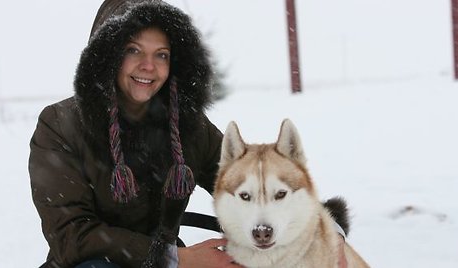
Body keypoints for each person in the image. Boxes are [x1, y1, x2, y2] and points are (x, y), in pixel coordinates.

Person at [29, 0, 348, 267]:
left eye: (162, 54)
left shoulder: (186, 126)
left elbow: (247, 182)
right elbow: (72, 236)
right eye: (133, 50)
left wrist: (323, 228)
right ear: (107, 55)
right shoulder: (59, 125)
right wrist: (176, 258)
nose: (148, 66)